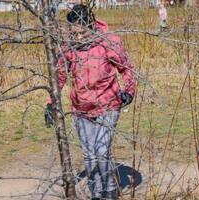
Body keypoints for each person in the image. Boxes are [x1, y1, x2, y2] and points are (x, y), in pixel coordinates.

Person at [44, 5, 137, 200]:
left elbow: (127, 69)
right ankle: (96, 193)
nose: (76, 35)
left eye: (79, 30)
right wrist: (50, 103)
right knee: (89, 154)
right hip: (81, 108)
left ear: (89, 25)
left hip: (108, 104)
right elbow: (59, 76)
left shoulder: (108, 42)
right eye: (72, 30)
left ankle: (110, 190)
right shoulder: (68, 46)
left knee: (102, 150)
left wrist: (129, 92)